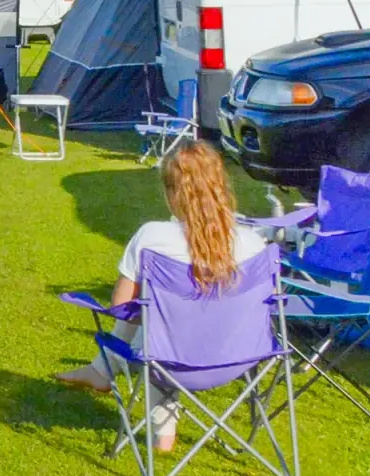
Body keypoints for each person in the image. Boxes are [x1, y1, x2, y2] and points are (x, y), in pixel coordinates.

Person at [54, 142, 266, 451]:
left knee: (155, 330)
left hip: (171, 359)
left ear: (171, 193)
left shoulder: (152, 238)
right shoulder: (254, 244)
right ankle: (104, 374)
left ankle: (147, 420)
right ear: (221, 187)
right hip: (237, 358)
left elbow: (121, 308)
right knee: (163, 328)